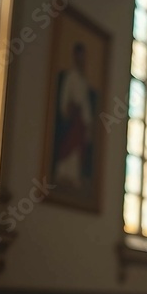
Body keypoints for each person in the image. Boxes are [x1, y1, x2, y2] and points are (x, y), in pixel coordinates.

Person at [53, 42, 96, 189]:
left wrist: (88, 122)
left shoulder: (83, 81)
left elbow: (86, 105)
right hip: (73, 117)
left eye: (83, 57)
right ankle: (64, 174)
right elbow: (65, 98)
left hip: (81, 121)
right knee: (69, 146)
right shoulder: (71, 77)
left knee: (79, 151)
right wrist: (68, 111)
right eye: (79, 56)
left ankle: (74, 177)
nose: (81, 59)